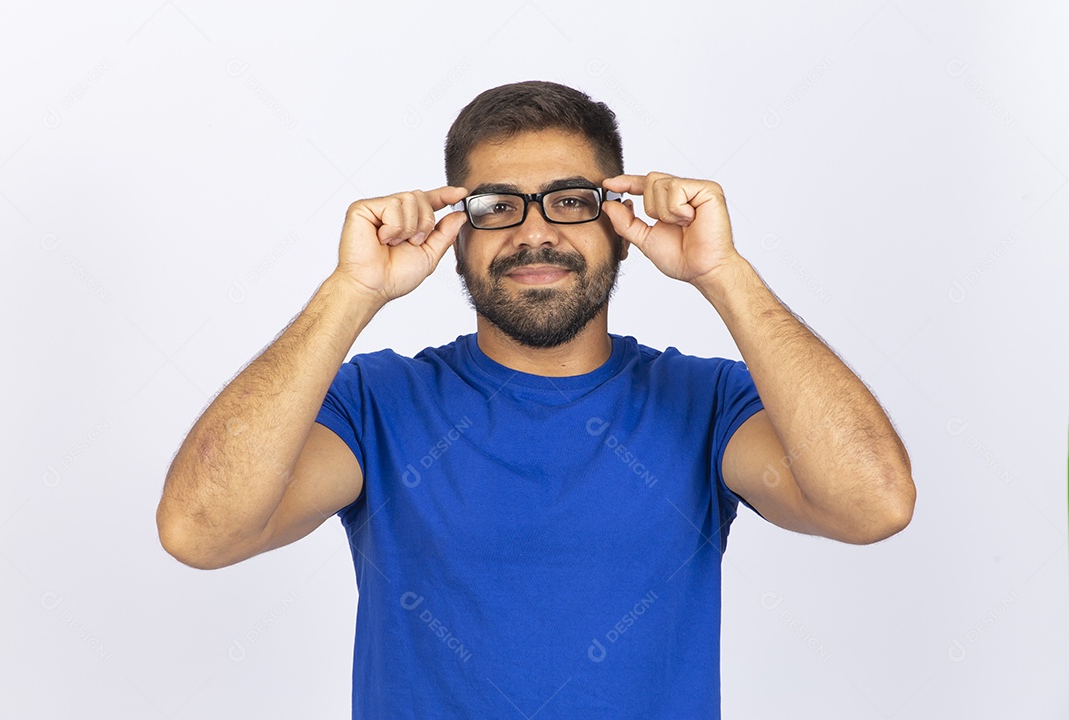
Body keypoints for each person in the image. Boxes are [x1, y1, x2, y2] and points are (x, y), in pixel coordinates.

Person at [157, 80, 916, 718]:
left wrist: (724, 273)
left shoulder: (710, 402)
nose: (534, 232)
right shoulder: (376, 404)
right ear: (457, 233)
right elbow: (201, 530)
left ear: (621, 226)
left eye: (570, 202)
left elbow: (872, 504)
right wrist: (351, 291)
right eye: (498, 207)